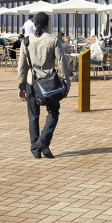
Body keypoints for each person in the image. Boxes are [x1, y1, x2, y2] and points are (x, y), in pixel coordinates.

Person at [17, 12, 67, 159]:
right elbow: (62, 63)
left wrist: (20, 86)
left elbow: (22, 67)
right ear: (47, 24)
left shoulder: (26, 41)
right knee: (54, 113)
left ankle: (36, 147)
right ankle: (42, 143)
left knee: (33, 116)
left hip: (31, 82)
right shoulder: (53, 40)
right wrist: (65, 82)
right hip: (49, 83)